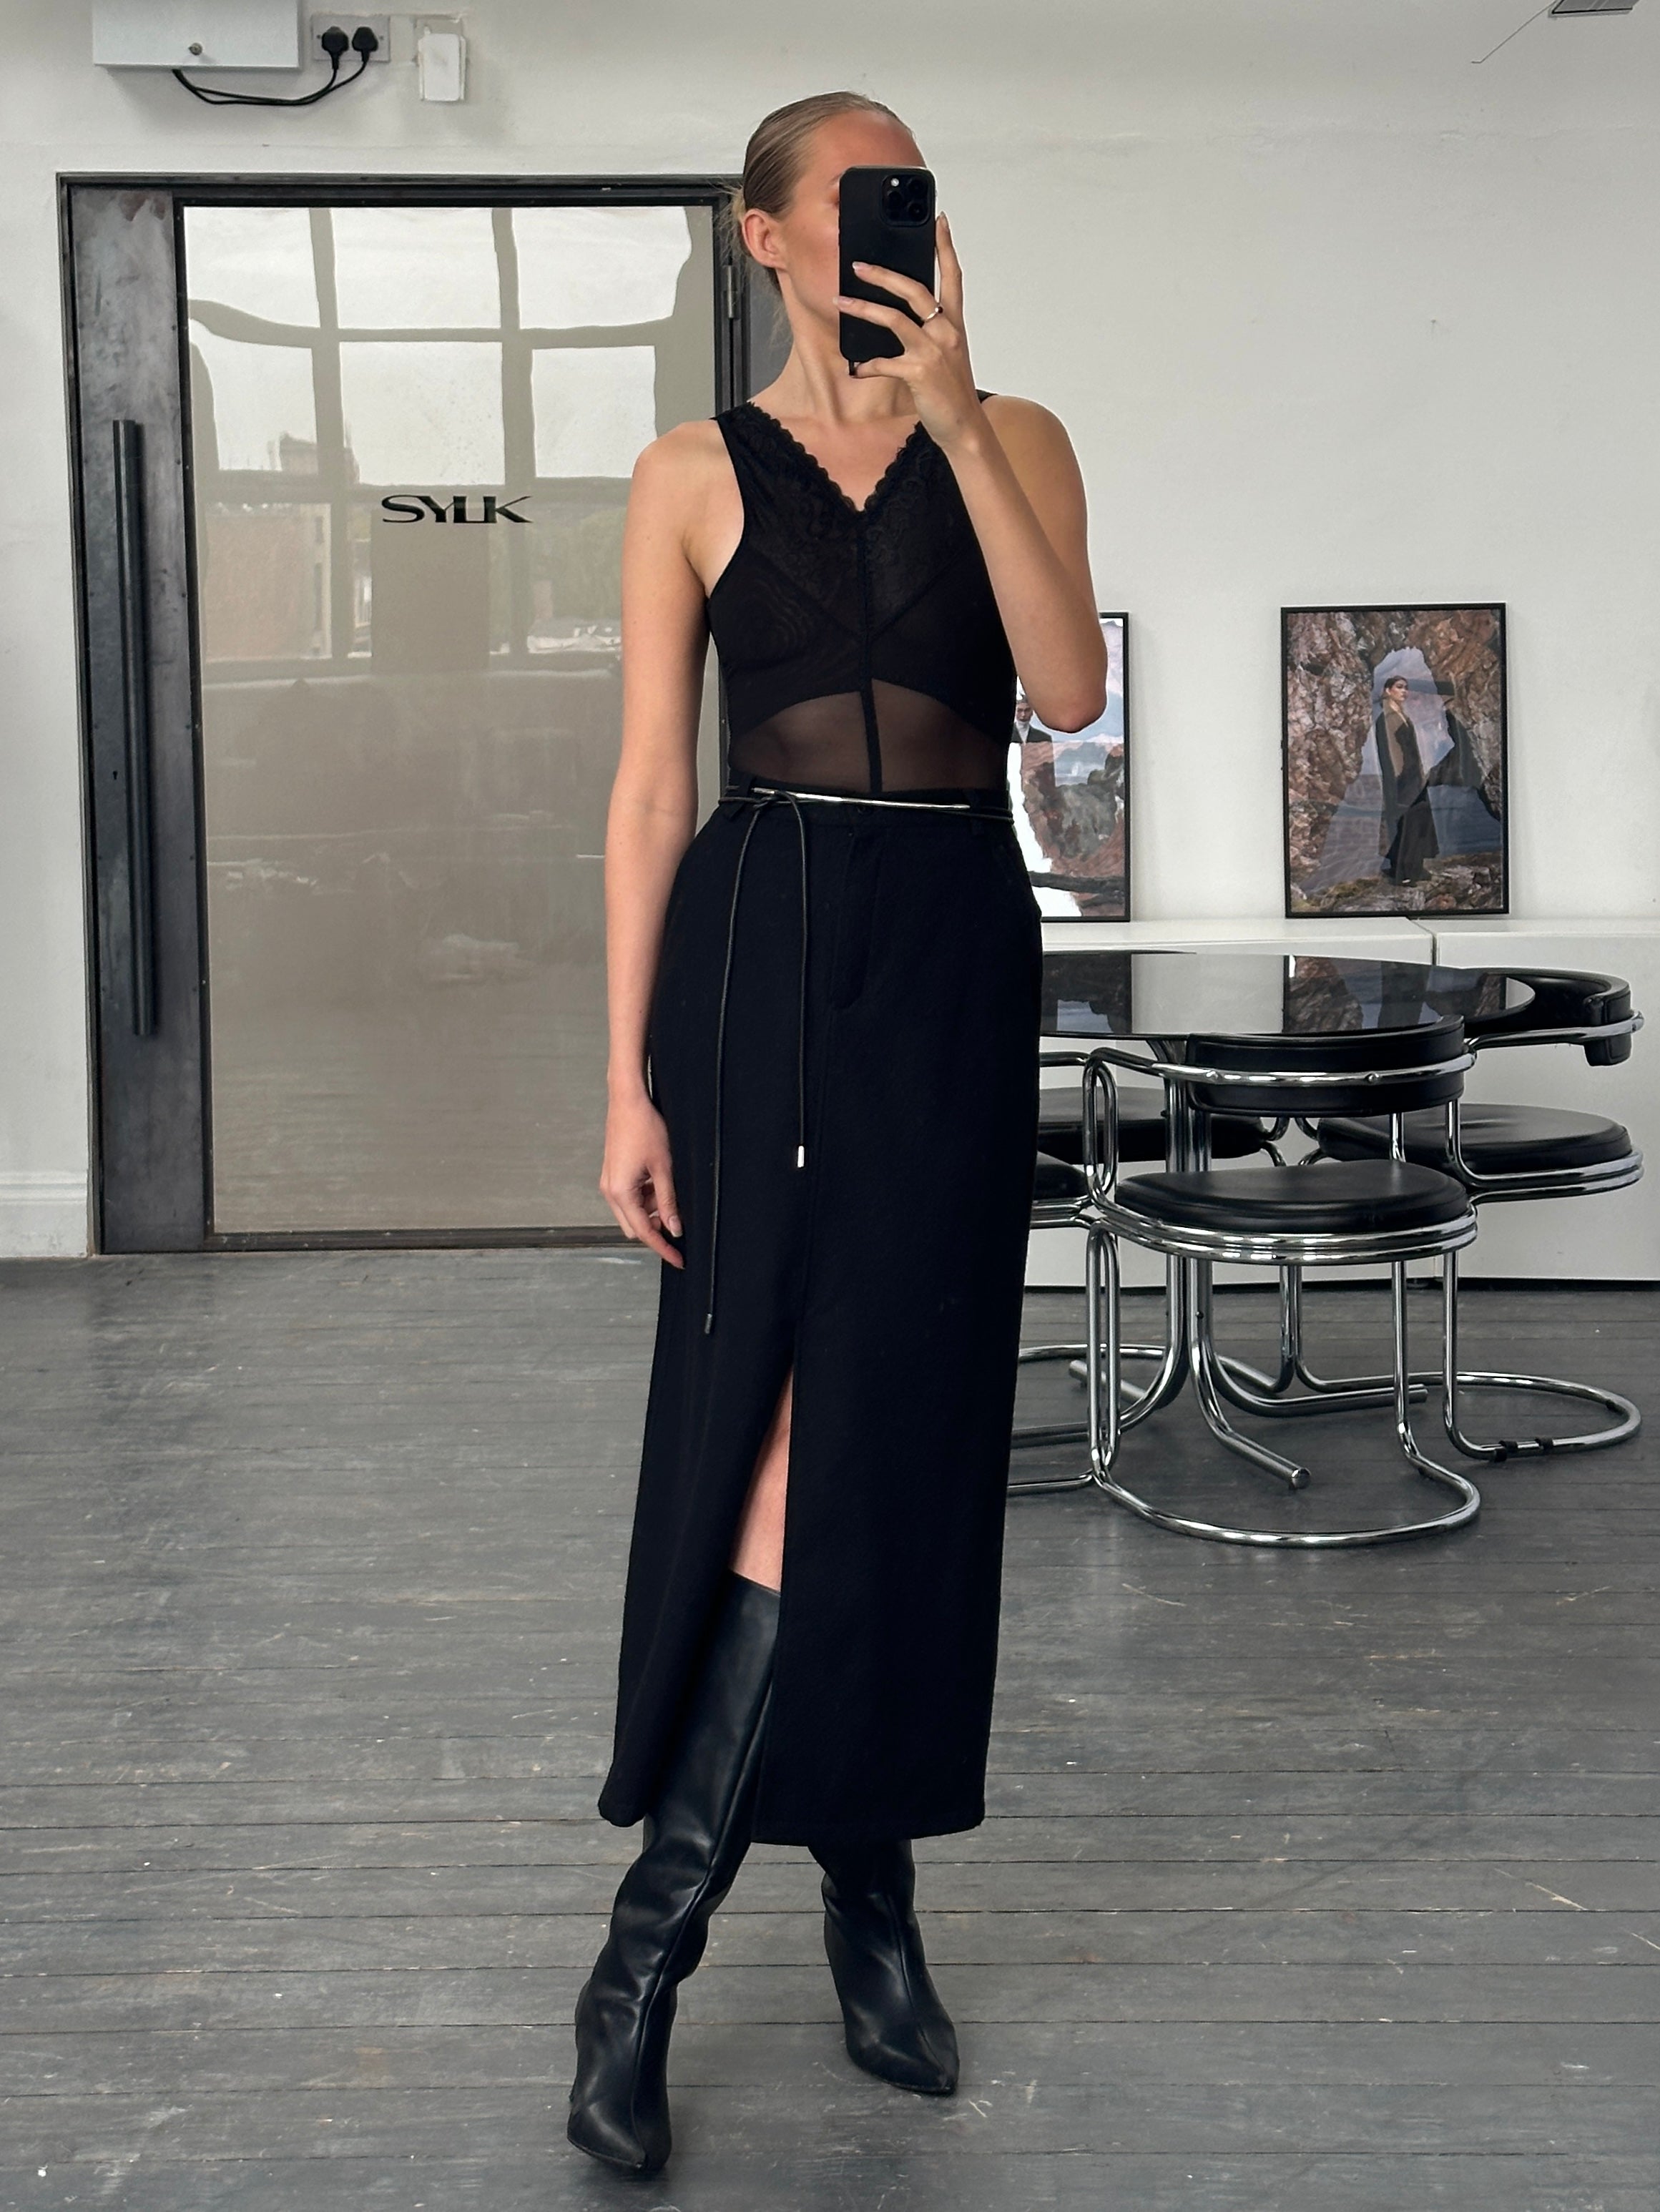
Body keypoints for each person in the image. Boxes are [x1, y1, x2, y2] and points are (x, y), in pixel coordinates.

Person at [571, 90, 1106, 2177]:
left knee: (910, 1426)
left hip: (951, 944)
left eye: (917, 193)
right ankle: (645, 1959)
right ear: (767, 234)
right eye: (860, 194)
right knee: (779, 1431)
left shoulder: (1018, 433)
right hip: (761, 950)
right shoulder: (686, 473)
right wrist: (621, 1077)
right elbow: (647, 787)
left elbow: (1063, 688)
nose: (897, 223)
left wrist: (956, 415)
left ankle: (868, 1896)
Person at [1374, 672, 1438, 886]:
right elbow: (1391, 750)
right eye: (1399, 687)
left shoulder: (1399, 713)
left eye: (1406, 688)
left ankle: (1414, 866)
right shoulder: (1388, 717)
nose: (1404, 692)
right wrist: (1399, 775)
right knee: (1408, 820)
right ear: (1388, 690)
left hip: (1412, 774)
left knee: (1417, 818)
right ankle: (1404, 870)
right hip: (1403, 776)